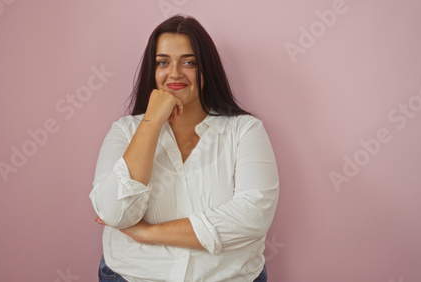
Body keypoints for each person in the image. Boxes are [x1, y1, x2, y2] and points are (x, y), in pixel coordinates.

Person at [89, 15, 279, 282]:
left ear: (206, 70)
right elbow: (114, 213)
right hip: (134, 276)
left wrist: (147, 233)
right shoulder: (124, 131)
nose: (175, 73)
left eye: (189, 62)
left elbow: (252, 218)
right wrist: (152, 120)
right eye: (163, 62)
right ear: (152, 71)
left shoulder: (245, 131)